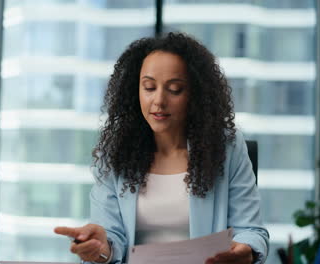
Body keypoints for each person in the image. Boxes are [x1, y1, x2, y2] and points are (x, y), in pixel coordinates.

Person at [54, 32, 269, 264]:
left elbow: (251, 231)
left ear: (195, 94)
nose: (158, 101)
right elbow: (111, 242)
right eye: (148, 87)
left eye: (174, 89)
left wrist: (245, 251)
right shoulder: (115, 152)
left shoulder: (226, 147)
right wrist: (100, 248)